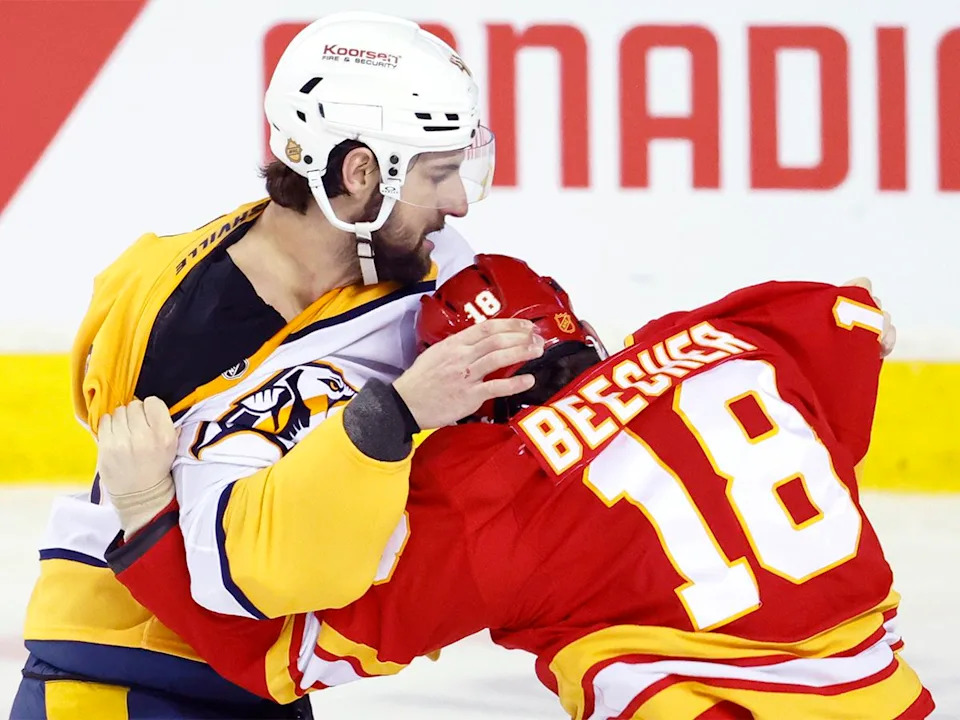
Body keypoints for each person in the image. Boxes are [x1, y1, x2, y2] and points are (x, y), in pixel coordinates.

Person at [94, 255, 933, 719]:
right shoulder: (733, 341)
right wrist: (858, 320)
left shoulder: (493, 496)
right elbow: (850, 321)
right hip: (896, 701)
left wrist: (145, 515)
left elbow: (279, 657)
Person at [12, 13, 544, 720]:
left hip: (271, 675)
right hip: (117, 672)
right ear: (361, 173)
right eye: (438, 174)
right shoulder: (154, 300)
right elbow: (222, 567)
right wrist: (146, 506)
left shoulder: (433, 269)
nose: (457, 201)